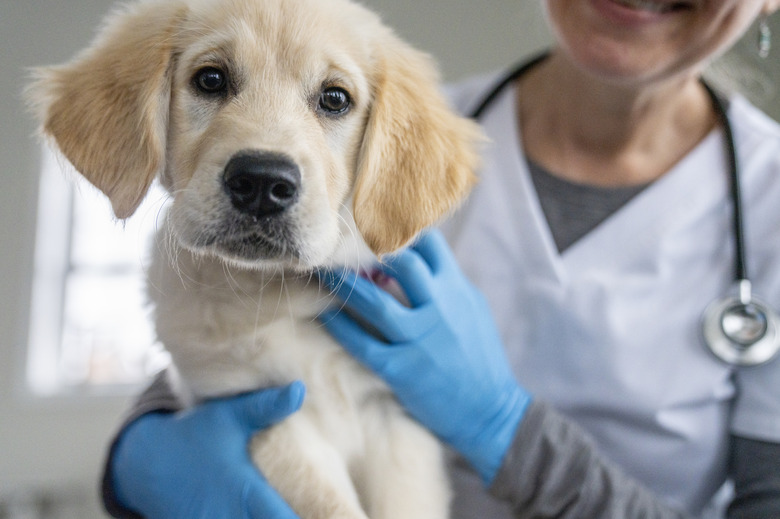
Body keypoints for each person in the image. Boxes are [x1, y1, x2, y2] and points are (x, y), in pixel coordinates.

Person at [102, 1, 780, 518]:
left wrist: (507, 431)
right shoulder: (389, 129)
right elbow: (243, 328)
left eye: (330, 101)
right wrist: (139, 453)